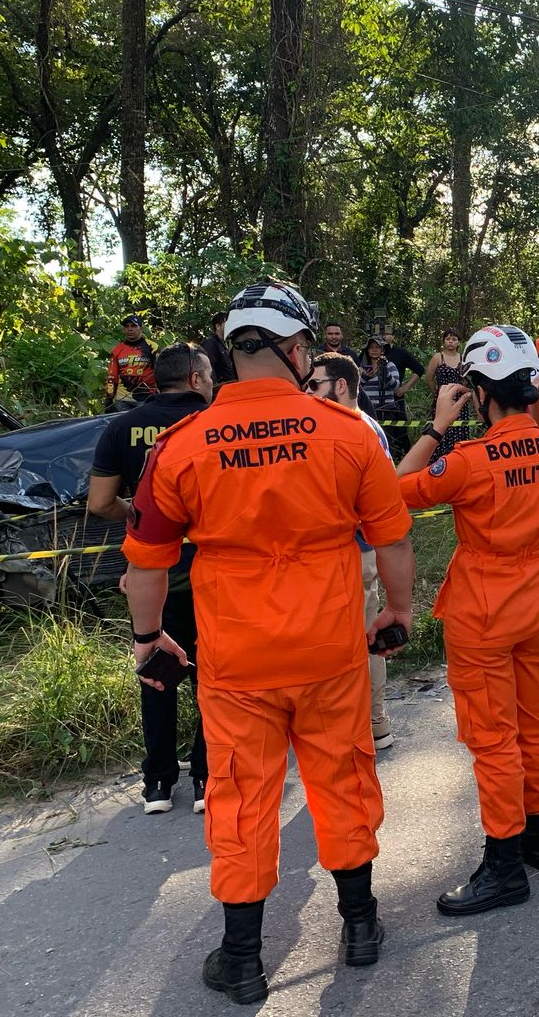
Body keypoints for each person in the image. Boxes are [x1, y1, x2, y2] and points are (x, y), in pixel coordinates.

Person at [121, 280, 417, 1004]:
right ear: (293, 348)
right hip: (331, 647)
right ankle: (361, 927)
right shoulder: (347, 431)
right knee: (343, 779)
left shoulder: (181, 446)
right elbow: (393, 538)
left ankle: (243, 957)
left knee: (241, 795)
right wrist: (397, 613)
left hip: (238, 658)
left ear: (230, 352)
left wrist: (147, 641)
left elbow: (145, 566)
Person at [394, 325, 539, 916]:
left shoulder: (468, 462)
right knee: (533, 725)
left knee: (493, 740)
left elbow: (396, 490)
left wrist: (436, 424)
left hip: (483, 610)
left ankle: (503, 866)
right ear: (531, 386)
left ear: (476, 391)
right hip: (538, 601)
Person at [88, 343, 214, 816]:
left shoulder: (120, 427)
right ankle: (205, 777)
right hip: (210, 573)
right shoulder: (213, 427)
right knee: (213, 676)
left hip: (148, 573)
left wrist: (146, 518)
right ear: (197, 379)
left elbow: (99, 503)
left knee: (156, 671)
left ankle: (158, 783)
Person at [307, 351, 400, 753]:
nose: (306, 391)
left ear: (340, 385)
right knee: (364, 642)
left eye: (314, 384)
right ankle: (373, 723)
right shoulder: (368, 428)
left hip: (353, 552)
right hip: (354, 553)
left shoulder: (351, 429)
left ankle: (360, 727)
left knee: (352, 644)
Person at [425, 329, 472, 460]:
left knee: (459, 431)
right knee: (440, 429)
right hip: (442, 399)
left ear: (458, 343)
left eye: (454, 339)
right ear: (444, 341)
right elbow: (429, 378)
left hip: (459, 401)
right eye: (448, 339)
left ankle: (459, 459)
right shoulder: (437, 357)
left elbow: (466, 379)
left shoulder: (463, 359)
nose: (451, 342)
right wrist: (436, 392)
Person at [380, 333, 427, 454]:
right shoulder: (369, 352)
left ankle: (403, 456)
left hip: (395, 399)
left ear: (393, 336)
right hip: (374, 399)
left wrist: (405, 387)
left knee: (400, 432)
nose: (384, 337)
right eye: (381, 333)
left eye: (388, 333)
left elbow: (419, 369)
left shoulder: (400, 353)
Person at [104, 315, 157, 411]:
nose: (130, 329)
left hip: (147, 397)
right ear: (123, 330)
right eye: (127, 326)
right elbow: (112, 376)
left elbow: (160, 373)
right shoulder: (117, 350)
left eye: (133, 326)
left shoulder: (152, 347)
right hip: (122, 400)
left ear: (141, 328)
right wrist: (109, 397)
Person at [358, 336, 403, 433]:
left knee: (386, 437)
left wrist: (386, 373)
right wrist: (365, 377)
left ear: (382, 350)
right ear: (367, 350)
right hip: (367, 409)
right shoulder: (362, 368)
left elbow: (395, 386)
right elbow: (356, 388)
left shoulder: (390, 365)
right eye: (371, 347)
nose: (374, 350)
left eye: (377, 347)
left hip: (387, 409)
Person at [199, 311, 237, 387]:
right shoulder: (210, 343)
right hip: (218, 390)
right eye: (226, 323)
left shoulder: (223, 343)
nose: (230, 326)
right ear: (218, 326)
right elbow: (209, 368)